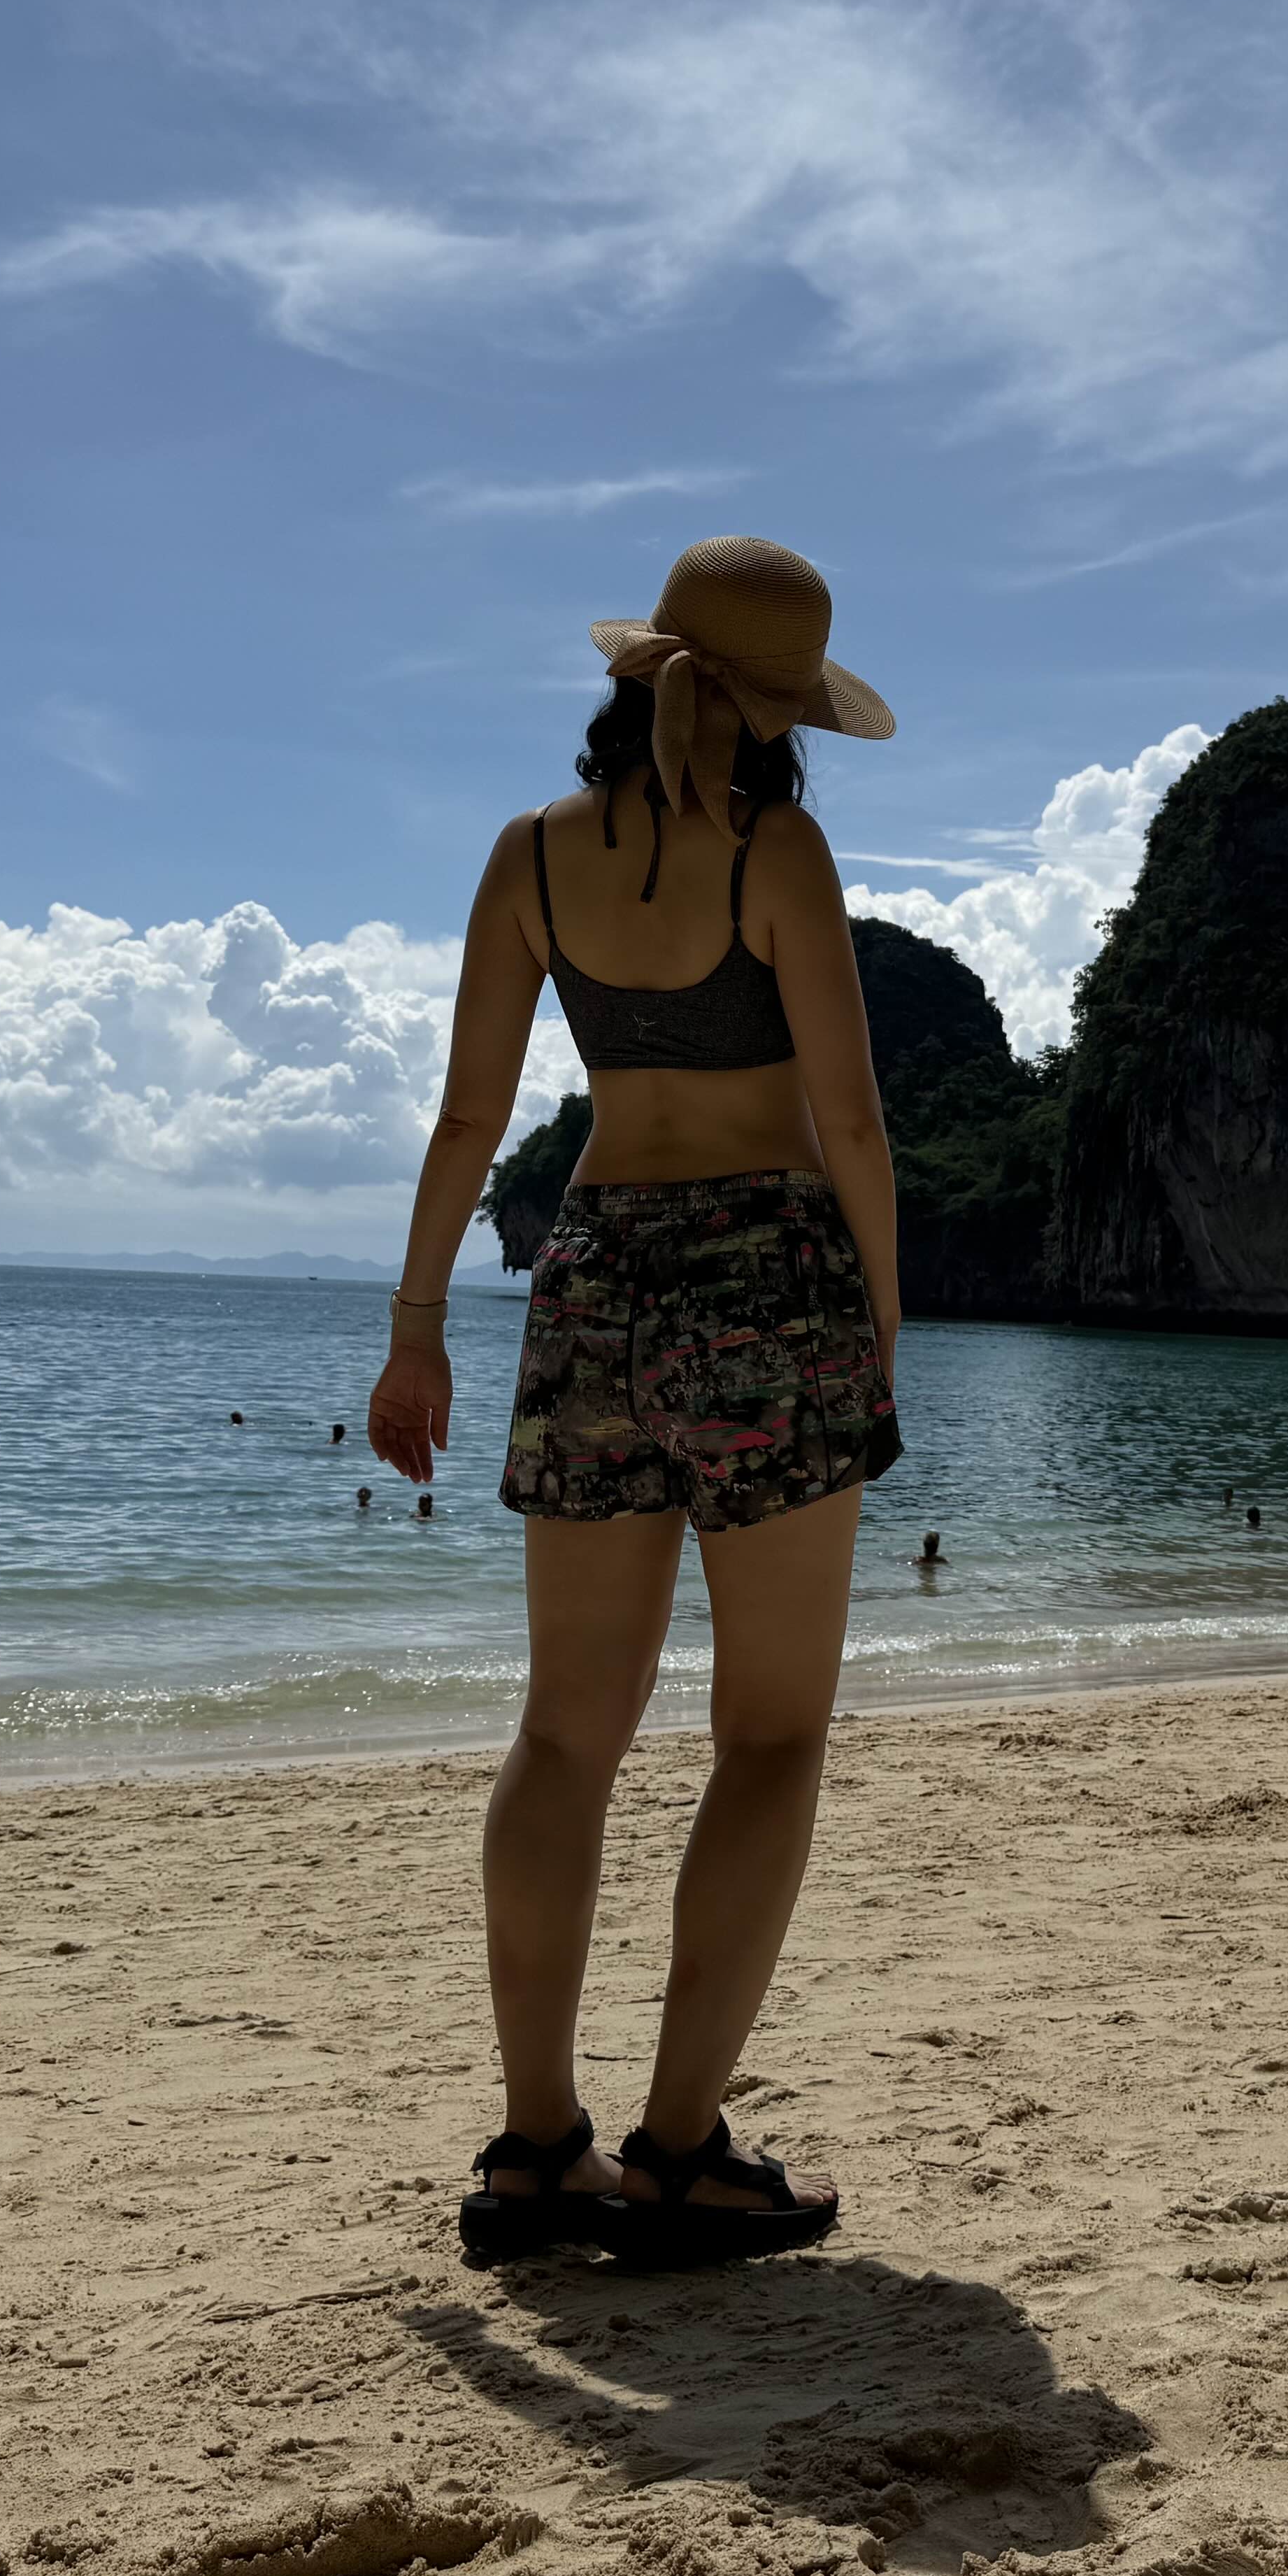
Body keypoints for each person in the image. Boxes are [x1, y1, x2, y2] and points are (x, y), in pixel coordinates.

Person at [366, 536, 892, 2273]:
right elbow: (852, 1124)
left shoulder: (529, 856)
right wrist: (881, 1332)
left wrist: (418, 1331)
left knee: (565, 1734)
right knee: (771, 1734)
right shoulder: (776, 850)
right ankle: (679, 2155)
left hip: (591, 1278)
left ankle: (535, 2151)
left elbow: (469, 1118)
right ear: (778, 712)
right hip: (770, 1282)